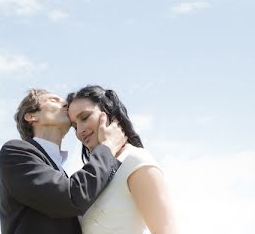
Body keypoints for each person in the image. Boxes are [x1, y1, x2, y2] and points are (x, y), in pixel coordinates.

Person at [0, 88, 128, 234]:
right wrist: (107, 148)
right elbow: (71, 196)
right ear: (31, 116)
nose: (65, 103)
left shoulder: (61, 173)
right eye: (53, 100)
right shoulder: (15, 152)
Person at [67, 85, 178, 234]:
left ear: (109, 112)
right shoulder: (93, 176)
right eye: (74, 126)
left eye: (85, 117)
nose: (80, 131)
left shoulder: (135, 161)